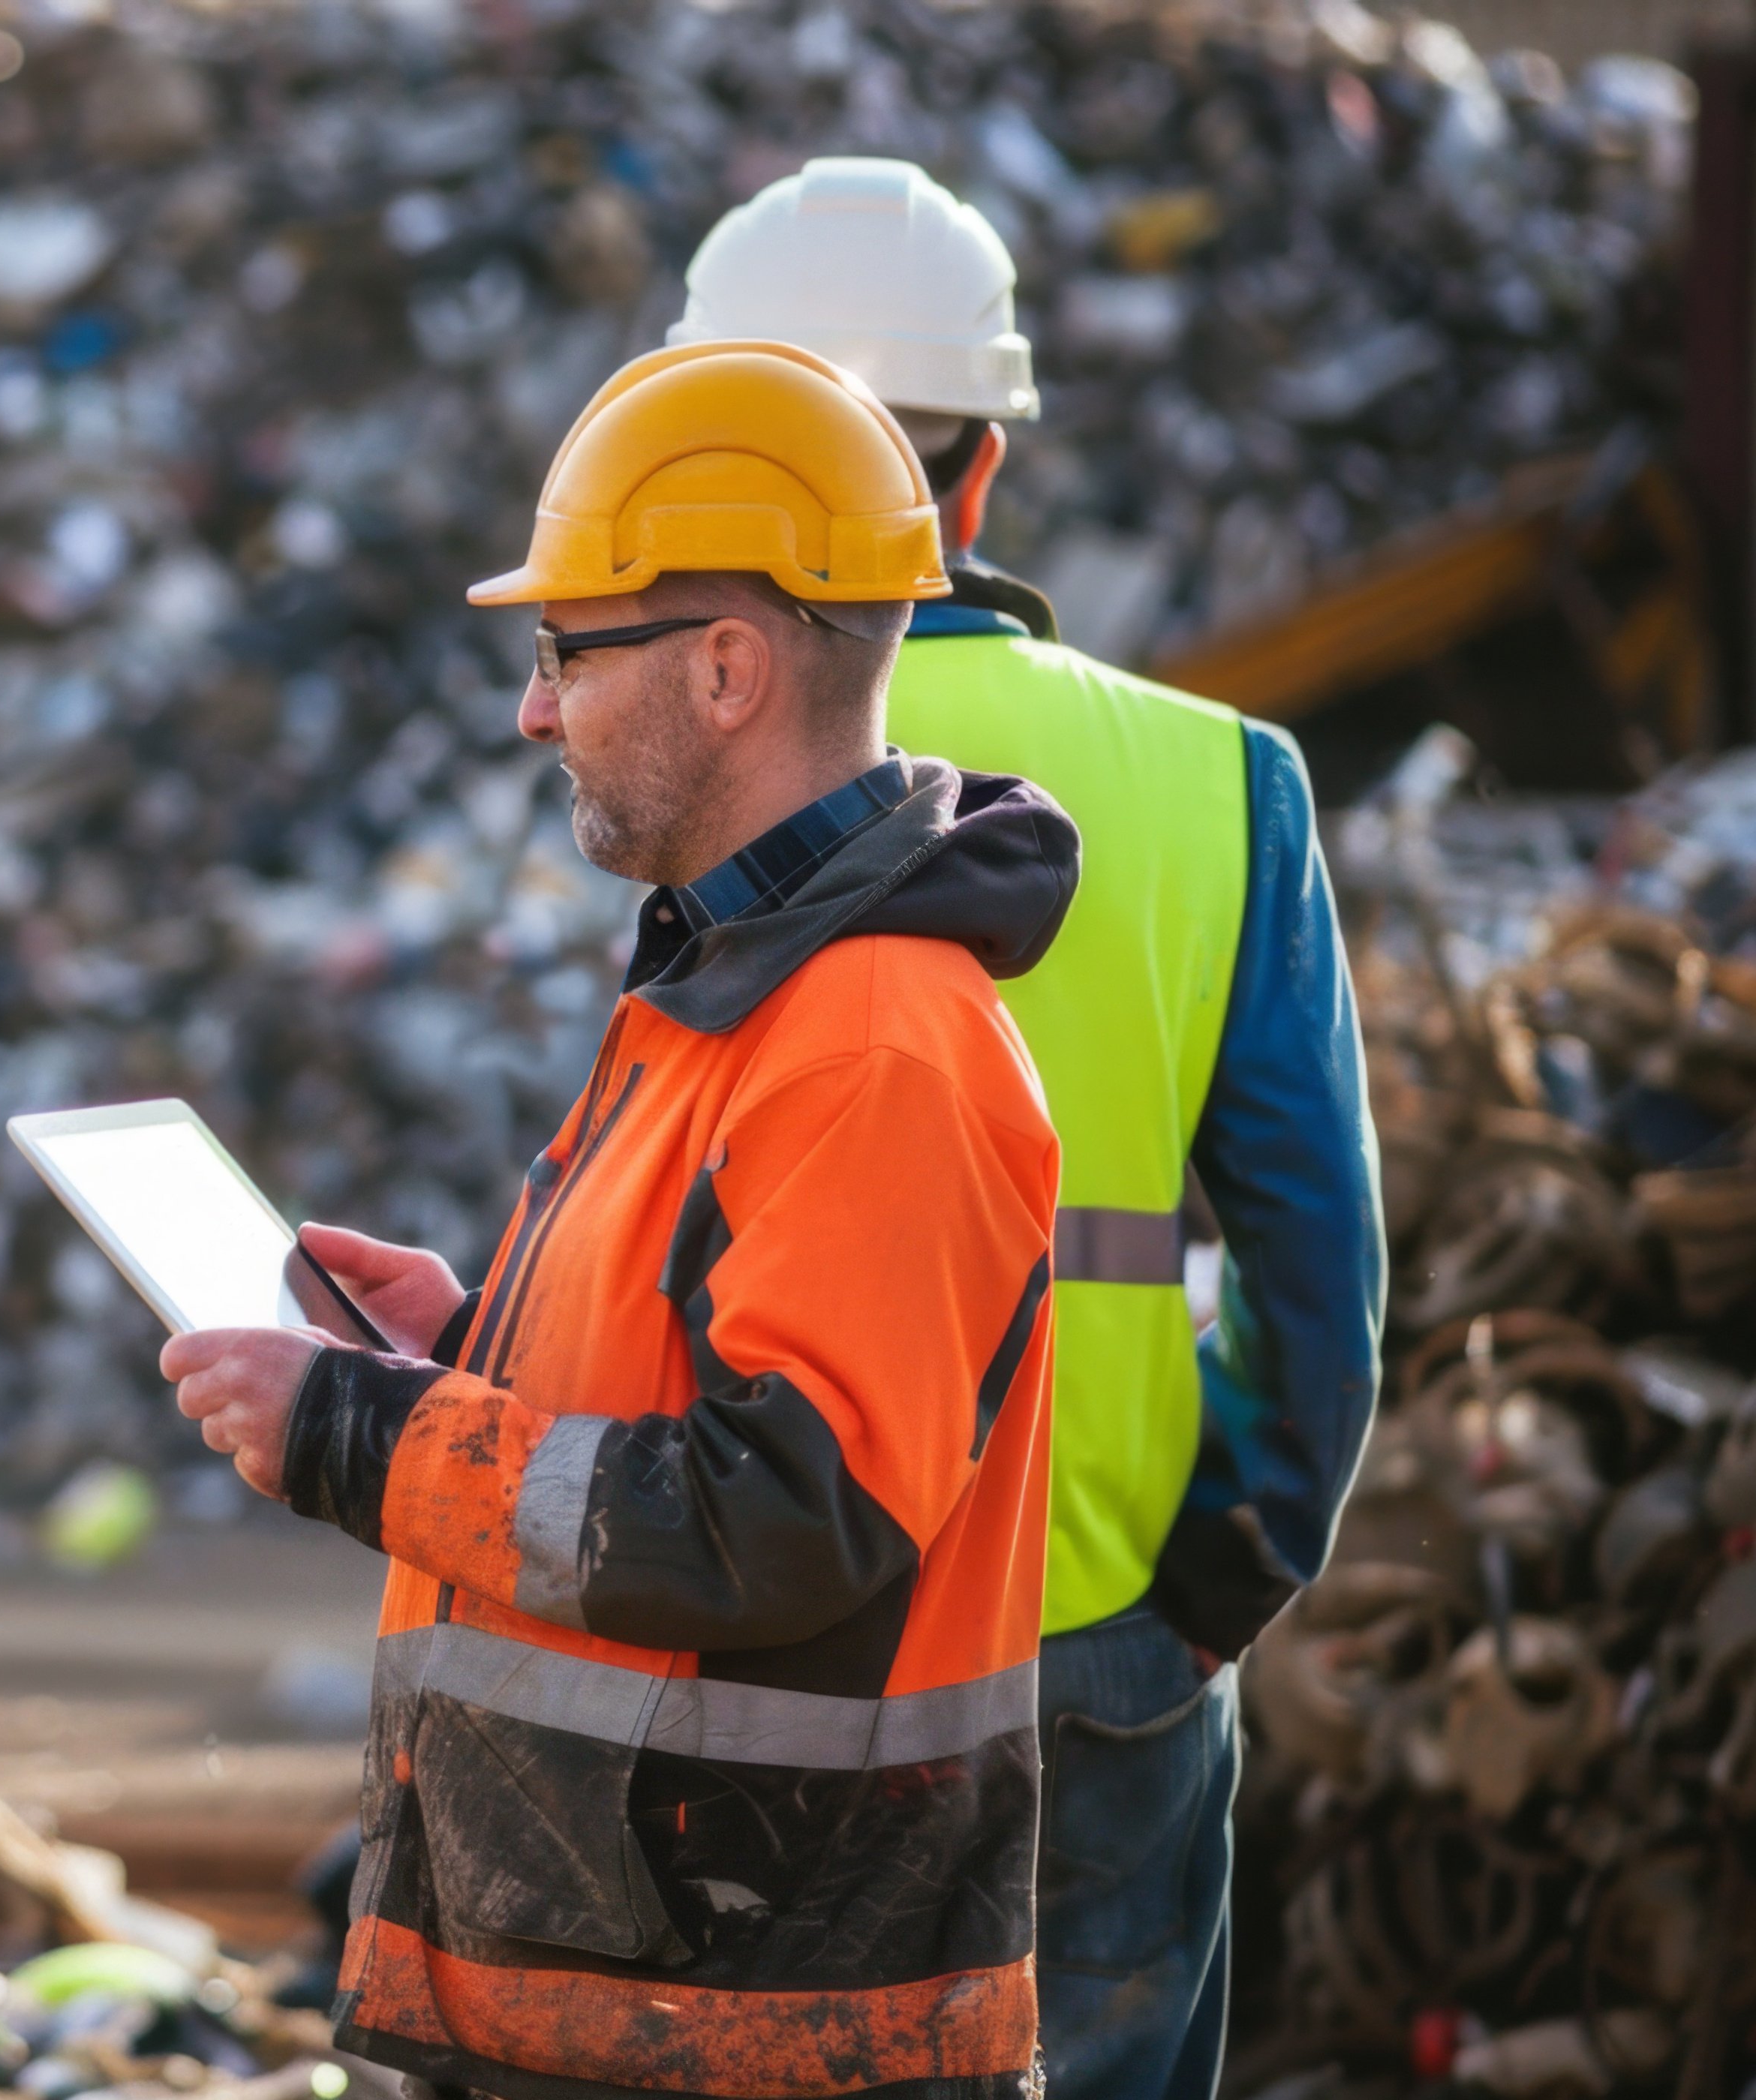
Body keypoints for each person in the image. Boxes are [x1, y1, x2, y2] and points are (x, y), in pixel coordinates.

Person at [164, 338, 1079, 2100]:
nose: (530, 709)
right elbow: (676, 1409)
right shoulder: (731, 991)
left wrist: (362, 1430)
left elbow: (782, 1522)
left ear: (728, 668)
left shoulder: (870, 1038)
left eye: (562, 652)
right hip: (645, 1996)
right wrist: (456, 1347)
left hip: (756, 2020)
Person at [670, 158, 1388, 2100]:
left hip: (791, 1632)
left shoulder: (711, 759)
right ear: (981, 473)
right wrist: (1215, 1582)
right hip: (1106, 1620)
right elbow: (1317, 1268)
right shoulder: (1223, 782)